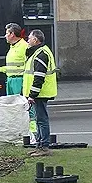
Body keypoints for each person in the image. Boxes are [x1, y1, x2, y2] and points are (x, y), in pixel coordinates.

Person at [23, 29, 58, 157]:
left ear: (36, 40)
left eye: (30, 38)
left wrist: (32, 94)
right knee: (39, 119)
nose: (28, 40)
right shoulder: (39, 52)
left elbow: (39, 77)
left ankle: (44, 147)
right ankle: (40, 146)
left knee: (42, 120)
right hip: (40, 93)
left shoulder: (41, 54)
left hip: (40, 93)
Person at [0, 22, 33, 133]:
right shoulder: (12, 47)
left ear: (12, 34)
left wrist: (25, 83)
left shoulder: (24, 46)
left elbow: (28, 66)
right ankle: (18, 131)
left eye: (7, 33)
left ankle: (32, 131)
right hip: (10, 80)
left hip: (20, 80)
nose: (5, 36)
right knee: (13, 108)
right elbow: (13, 66)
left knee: (25, 106)